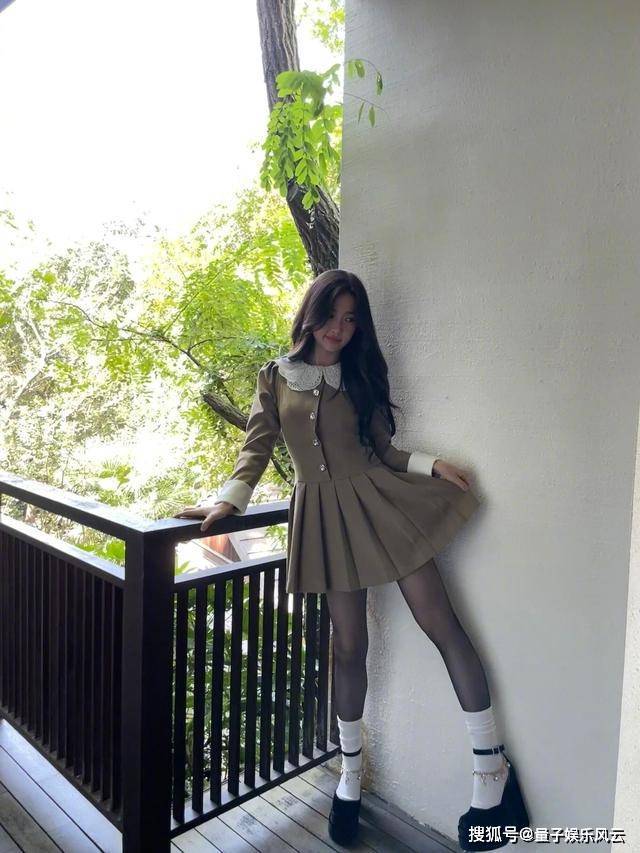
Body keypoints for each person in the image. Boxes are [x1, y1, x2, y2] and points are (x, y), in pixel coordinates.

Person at [174, 269, 530, 851]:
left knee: (441, 626)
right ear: (311, 315)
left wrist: (432, 465)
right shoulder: (275, 376)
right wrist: (227, 502)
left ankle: (491, 768)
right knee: (348, 647)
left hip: (382, 507)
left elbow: (384, 451)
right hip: (325, 523)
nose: (339, 329)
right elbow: (256, 447)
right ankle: (351, 772)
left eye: (350, 319)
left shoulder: (359, 376)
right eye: (332, 315)